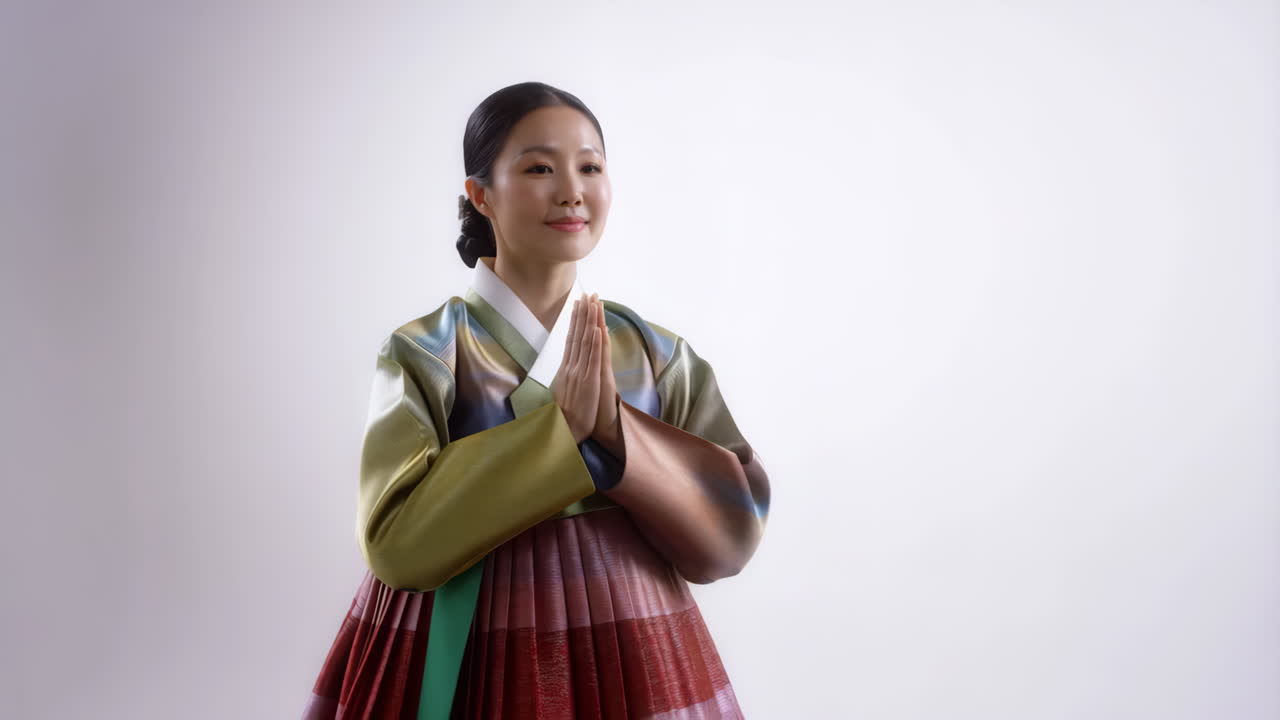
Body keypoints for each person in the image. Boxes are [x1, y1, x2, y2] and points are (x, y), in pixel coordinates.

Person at [303, 81, 771, 719]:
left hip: (632, 645)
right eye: (539, 168)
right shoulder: (427, 353)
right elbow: (394, 542)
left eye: (590, 167)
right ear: (480, 195)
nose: (571, 190)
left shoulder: (655, 353)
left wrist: (615, 429)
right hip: (464, 636)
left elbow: (733, 528)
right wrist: (559, 435)